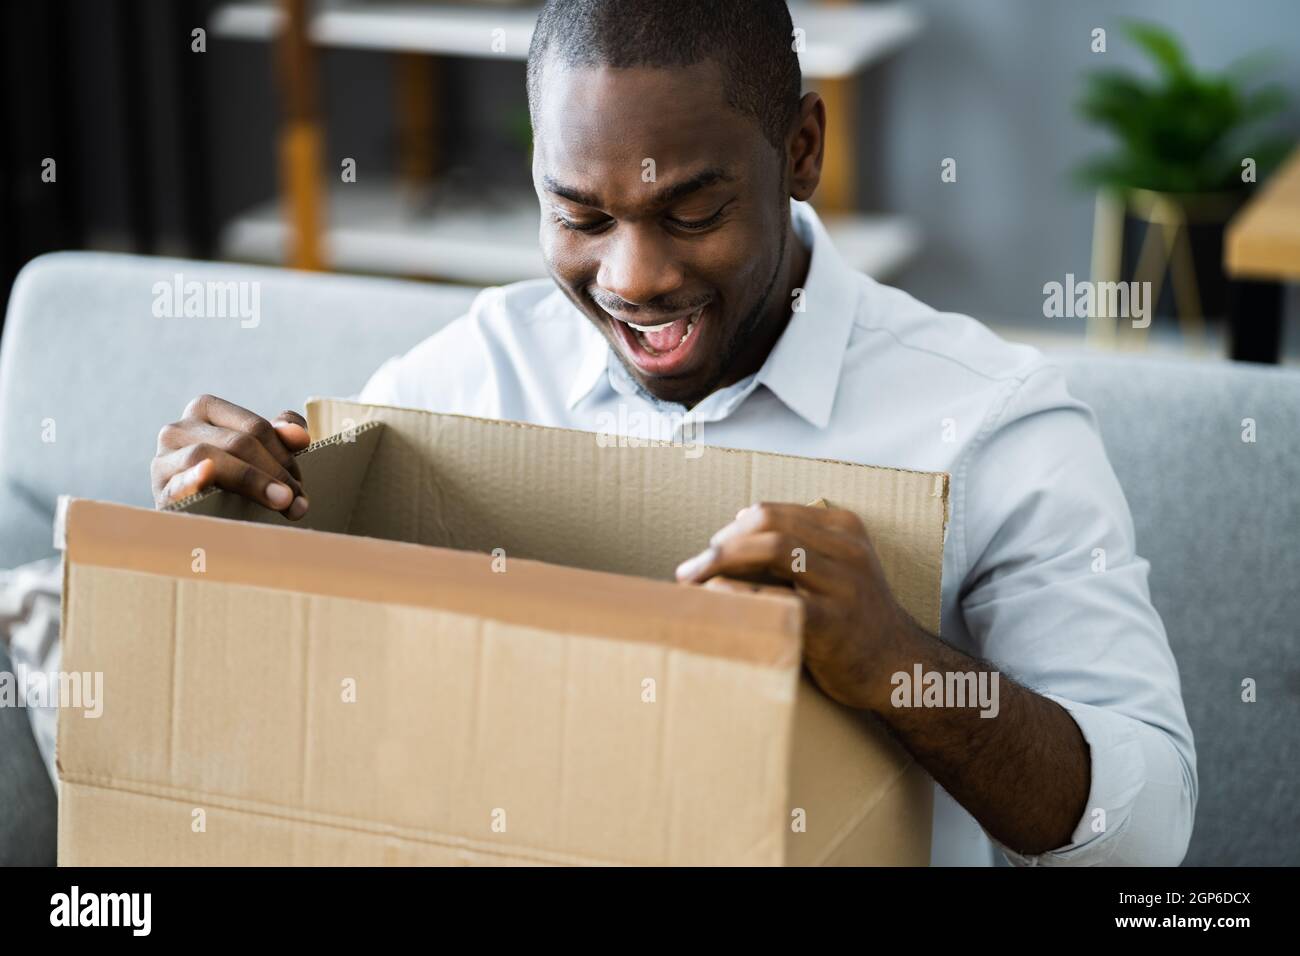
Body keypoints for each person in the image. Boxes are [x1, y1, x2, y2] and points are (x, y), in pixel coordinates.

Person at [150, 0, 1196, 866]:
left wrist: (897, 663)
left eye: (691, 213)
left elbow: (1149, 830)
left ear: (800, 150)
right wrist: (227, 537)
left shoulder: (991, 422)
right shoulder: (456, 383)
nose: (634, 279)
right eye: (581, 216)